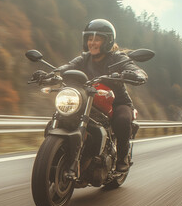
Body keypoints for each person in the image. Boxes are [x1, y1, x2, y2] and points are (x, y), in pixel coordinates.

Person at [41, 19, 147, 172]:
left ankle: (122, 156)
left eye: (97, 39)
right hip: (88, 100)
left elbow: (134, 69)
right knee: (58, 119)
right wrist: (51, 75)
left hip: (116, 102)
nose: (92, 43)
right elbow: (67, 67)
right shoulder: (84, 58)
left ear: (107, 41)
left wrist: (137, 74)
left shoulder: (117, 59)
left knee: (122, 120)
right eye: (90, 39)